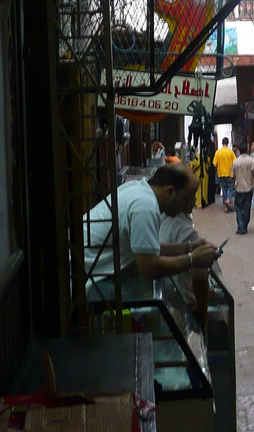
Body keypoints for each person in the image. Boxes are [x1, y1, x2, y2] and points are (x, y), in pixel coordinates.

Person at [83, 164, 217, 302]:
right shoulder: (145, 207)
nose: (193, 203)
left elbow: (148, 250)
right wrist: (193, 259)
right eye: (187, 198)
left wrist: (188, 247)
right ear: (170, 192)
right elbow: (149, 268)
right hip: (80, 280)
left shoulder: (138, 189)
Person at [158, 166, 212, 326]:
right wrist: (202, 313)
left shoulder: (160, 217)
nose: (195, 201)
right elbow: (200, 276)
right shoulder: (187, 232)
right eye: (190, 197)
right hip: (186, 303)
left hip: (168, 297)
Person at [231, 143, 254, 234]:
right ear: (247, 150)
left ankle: (240, 226)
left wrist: (235, 183)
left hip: (239, 187)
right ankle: (245, 225)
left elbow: (233, 175)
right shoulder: (251, 160)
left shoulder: (236, 161)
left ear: (239, 151)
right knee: (247, 207)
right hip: (248, 187)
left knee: (238, 207)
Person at [213, 137, 236, 212]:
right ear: (228, 143)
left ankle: (225, 207)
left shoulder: (218, 152)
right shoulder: (231, 152)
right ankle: (228, 199)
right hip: (229, 174)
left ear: (222, 143)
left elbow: (214, 164)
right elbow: (235, 163)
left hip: (221, 174)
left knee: (224, 190)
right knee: (232, 189)